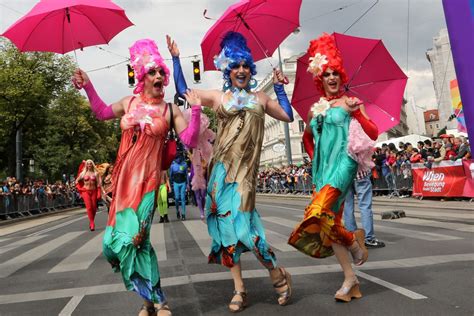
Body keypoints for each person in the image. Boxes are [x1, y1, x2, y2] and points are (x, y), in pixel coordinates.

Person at [73, 38, 201, 316]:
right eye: (152, 72)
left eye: (160, 73)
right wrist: (88, 85)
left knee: (136, 239)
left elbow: (189, 140)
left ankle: (159, 301)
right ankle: (147, 301)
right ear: (141, 77)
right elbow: (101, 112)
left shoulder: (169, 110)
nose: (158, 77)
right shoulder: (129, 102)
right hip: (122, 185)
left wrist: (198, 111)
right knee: (112, 246)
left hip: (147, 185)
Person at [168, 31, 294, 312]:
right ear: (228, 69)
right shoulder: (218, 97)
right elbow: (183, 92)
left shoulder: (260, 98)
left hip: (244, 178)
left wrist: (280, 87)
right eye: (235, 66)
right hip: (220, 175)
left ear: (251, 69)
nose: (241, 71)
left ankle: (277, 274)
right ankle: (239, 288)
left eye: (245, 66)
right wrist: (176, 60)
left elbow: (287, 116)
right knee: (225, 231)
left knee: (247, 230)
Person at [288, 33, 377, 302]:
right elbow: (308, 141)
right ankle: (351, 279)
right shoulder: (315, 110)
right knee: (328, 223)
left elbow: (372, 133)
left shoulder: (349, 104)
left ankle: (352, 243)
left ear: (341, 75)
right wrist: (316, 158)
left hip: (345, 164)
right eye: (326, 74)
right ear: (319, 78)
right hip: (322, 171)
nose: (331, 78)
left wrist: (358, 112)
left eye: (335, 73)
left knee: (319, 211)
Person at [344, 174, 386, 249]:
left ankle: (352, 238)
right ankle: (369, 239)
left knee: (347, 207)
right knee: (365, 206)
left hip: (344, 177)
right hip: (360, 175)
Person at [76, 159, 101, 231]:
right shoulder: (83, 174)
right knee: (89, 207)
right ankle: (92, 223)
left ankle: (91, 221)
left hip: (94, 191)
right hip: (86, 191)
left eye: (90, 164)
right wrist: (80, 188)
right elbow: (76, 181)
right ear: (86, 165)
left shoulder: (96, 173)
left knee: (94, 208)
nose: (89, 165)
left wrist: (99, 192)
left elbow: (99, 184)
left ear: (92, 164)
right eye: (88, 164)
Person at [169, 154, 188, 220]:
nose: (178, 159)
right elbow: (170, 175)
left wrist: (188, 184)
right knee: (176, 198)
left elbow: (186, 175)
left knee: (183, 198)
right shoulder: (172, 166)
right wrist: (170, 184)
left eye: (179, 158)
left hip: (183, 182)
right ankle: (177, 211)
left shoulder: (184, 164)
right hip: (176, 183)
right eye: (177, 158)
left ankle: (183, 214)